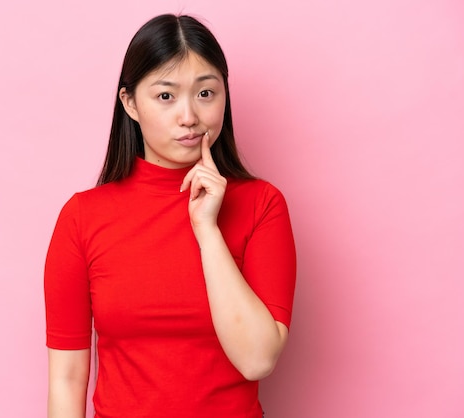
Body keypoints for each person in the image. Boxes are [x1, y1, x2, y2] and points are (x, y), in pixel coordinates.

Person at [44, 13, 296, 418]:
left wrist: (207, 230)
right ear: (130, 103)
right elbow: (67, 378)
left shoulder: (261, 205)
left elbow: (258, 359)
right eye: (166, 96)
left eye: (206, 93)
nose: (189, 117)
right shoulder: (82, 218)